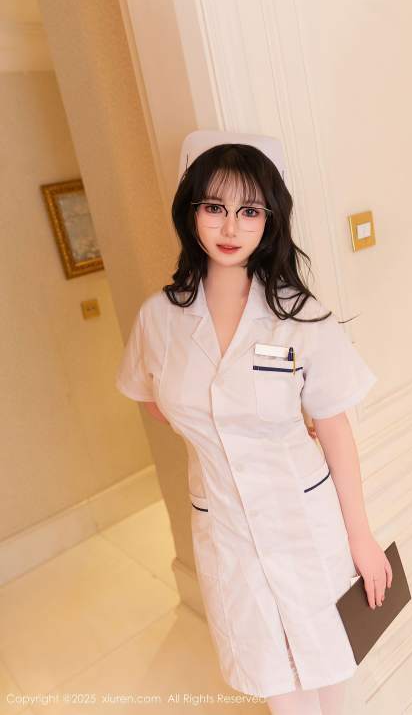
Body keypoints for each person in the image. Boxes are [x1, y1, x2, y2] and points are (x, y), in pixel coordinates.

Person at [115, 131, 392, 714]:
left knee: (330, 664)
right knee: (274, 677)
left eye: (249, 211)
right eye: (214, 207)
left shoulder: (300, 316)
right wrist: (216, 433)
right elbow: (151, 397)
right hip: (225, 525)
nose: (230, 227)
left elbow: (335, 429)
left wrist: (361, 538)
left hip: (306, 520)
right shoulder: (158, 318)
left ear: (270, 219)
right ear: (191, 212)